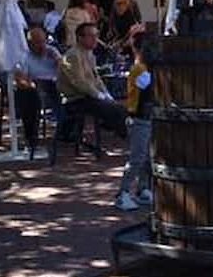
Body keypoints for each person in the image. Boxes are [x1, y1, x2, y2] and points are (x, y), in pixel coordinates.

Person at [58, 23, 128, 139]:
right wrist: (98, 95)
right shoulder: (73, 55)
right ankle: (126, 139)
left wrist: (106, 94)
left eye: (96, 35)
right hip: (76, 98)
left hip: (88, 96)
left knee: (119, 107)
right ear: (80, 38)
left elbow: (96, 78)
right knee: (117, 110)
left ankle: (118, 131)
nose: (95, 39)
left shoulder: (89, 54)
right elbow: (79, 82)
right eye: (91, 36)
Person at [116, 31, 154, 211]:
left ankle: (142, 189)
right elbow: (148, 85)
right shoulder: (140, 69)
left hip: (147, 117)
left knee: (148, 157)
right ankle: (122, 193)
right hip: (138, 118)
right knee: (137, 157)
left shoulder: (145, 67)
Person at [12, 26, 62, 154]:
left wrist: (57, 61)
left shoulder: (52, 51)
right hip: (34, 85)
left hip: (55, 84)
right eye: (38, 43)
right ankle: (31, 137)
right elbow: (20, 79)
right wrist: (30, 84)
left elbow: (66, 72)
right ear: (30, 44)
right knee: (29, 96)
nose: (42, 45)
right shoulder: (24, 56)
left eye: (43, 41)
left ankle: (68, 132)